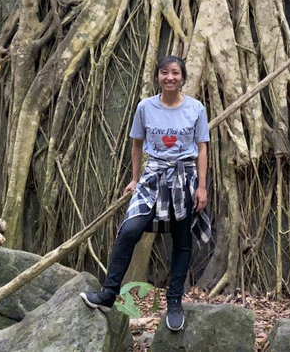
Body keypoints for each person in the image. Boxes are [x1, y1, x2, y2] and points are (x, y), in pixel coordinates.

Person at [81, 55, 211, 331]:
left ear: (183, 77)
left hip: (184, 178)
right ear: (158, 77)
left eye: (175, 73)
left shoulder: (196, 109)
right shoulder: (145, 107)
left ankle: (174, 301)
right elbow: (137, 144)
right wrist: (134, 179)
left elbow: (202, 147)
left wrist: (201, 186)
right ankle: (108, 293)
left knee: (181, 239)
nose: (170, 78)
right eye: (165, 73)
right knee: (130, 229)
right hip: (153, 178)